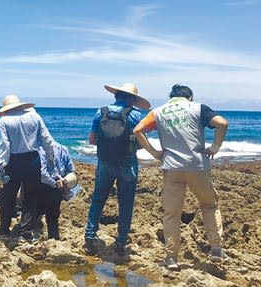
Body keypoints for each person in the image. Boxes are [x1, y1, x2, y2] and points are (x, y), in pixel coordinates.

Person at [133, 84, 228, 270]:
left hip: (171, 168)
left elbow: (138, 130)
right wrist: (215, 147)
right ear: (190, 97)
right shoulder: (198, 108)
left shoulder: (158, 112)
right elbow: (222, 123)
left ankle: (171, 258)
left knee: (171, 214)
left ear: (171, 97)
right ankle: (216, 248)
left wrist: (154, 153)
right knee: (209, 205)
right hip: (197, 166)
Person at [84, 83, 149, 256]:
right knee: (126, 203)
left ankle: (89, 237)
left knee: (98, 199)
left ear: (116, 96)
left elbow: (92, 140)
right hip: (127, 163)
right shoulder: (136, 115)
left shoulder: (101, 112)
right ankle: (121, 242)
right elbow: (142, 143)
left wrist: (108, 146)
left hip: (104, 162)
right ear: (132, 99)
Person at [0, 95, 57, 241]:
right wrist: (51, 157)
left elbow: (4, 145)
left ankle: (3, 230)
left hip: (13, 161)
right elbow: (47, 139)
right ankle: (26, 232)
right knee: (30, 197)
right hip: (33, 159)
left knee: (8, 196)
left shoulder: (4, 120)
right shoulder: (34, 116)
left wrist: (1, 166)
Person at [38, 141, 76, 240]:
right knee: (53, 217)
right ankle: (54, 240)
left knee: (35, 212)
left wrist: (53, 183)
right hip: (58, 188)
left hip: (45, 186)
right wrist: (65, 183)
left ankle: (35, 238)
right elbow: (71, 171)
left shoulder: (40, 149)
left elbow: (42, 173)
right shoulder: (63, 148)